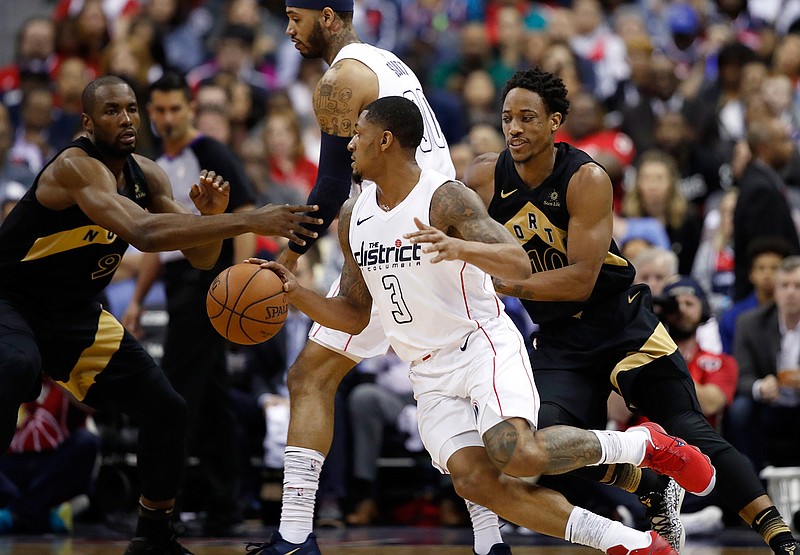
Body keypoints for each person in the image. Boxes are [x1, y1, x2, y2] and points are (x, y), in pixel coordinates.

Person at [253, 95, 713, 555]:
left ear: (386, 141)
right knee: (476, 481)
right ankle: (633, 544)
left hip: (479, 345)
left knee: (518, 453)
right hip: (426, 371)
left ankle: (642, 444)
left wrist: (459, 249)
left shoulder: (444, 197)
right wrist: (299, 295)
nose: (349, 144)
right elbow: (355, 316)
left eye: (359, 134)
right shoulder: (355, 215)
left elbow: (516, 261)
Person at [464, 66, 800, 555]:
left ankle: (779, 535)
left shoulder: (586, 178)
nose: (514, 128)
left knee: (691, 431)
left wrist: (506, 281)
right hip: (560, 339)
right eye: (507, 117)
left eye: (528, 118)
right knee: (544, 445)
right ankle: (648, 486)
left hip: (621, 323)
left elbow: (580, 278)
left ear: (555, 121)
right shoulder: (482, 178)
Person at [0, 75, 320, 555]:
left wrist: (211, 219)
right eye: (111, 110)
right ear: (87, 121)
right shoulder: (75, 168)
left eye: (130, 108)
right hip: (12, 301)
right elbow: (144, 233)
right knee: (15, 366)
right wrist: (250, 220)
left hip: (75, 314)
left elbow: (202, 258)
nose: (126, 118)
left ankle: (153, 537)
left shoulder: (147, 175)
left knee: (167, 408)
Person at [258, 2, 510, 555]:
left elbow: (328, 186)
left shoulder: (339, 79)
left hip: (402, 233)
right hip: (432, 232)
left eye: (296, 17)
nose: (288, 29)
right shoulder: (386, 62)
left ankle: (296, 537)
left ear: (327, 17)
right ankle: (490, 543)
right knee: (427, 383)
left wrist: (291, 257)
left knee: (314, 377)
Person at [121, 71, 256, 536]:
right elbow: (161, 239)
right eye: (157, 110)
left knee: (174, 397)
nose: (166, 118)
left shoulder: (211, 154)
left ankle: (160, 509)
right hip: (179, 281)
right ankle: (224, 507)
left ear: (190, 109)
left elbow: (243, 220)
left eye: (174, 108)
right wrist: (138, 299)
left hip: (209, 285)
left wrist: (236, 283)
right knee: (212, 402)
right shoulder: (159, 162)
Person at [733, 256, 800, 471]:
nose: (791, 292)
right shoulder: (750, 323)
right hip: (770, 405)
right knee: (740, 408)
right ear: (776, 291)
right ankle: (752, 482)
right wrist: (760, 387)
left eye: (798, 286)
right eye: (785, 285)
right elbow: (742, 377)